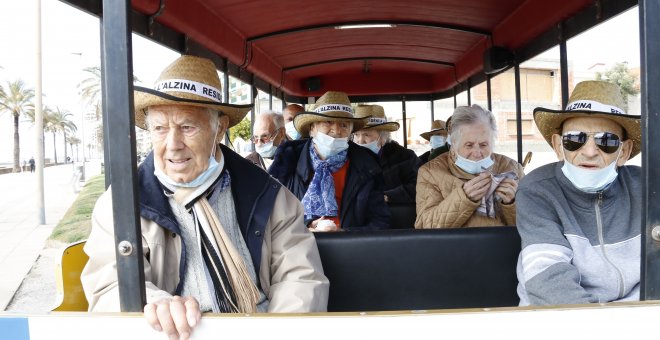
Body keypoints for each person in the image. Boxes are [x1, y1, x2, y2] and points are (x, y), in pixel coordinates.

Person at [81, 55, 329, 339]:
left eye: (187, 127)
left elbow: (300, 278)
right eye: (160, 128)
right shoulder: (123, 204)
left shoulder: (269, 195)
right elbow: (108, 286)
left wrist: (275, 334)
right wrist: (153, 305)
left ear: (219, 128)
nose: (173, 145)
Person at [516, 81, 641, 306]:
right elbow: (548, 281)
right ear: (558, 146)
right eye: (575, 139)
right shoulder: (537, 190)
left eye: (607, 141)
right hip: (560, 320)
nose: (590, 151)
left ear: (624, 152)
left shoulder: (646, 186)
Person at [269, 91, 390, 232]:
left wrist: (344, 234)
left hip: (350, 246)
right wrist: (306, 227)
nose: (336, 130)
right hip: (297, 243)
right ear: (312, 128)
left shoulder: (367, 164)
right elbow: (269, 209)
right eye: (328, 122)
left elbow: (380, 221)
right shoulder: (289, 158)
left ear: (350, 131)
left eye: (344, 125)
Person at [415, 105, 523, 228]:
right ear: (454, 145)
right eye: (469, 145)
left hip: (504, 245)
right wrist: (464, 198)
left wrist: (512, 203)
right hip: (455, 246)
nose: (477, 153)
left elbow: (533, 225)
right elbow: (424, 225)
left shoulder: (512, 168)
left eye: (483, 145)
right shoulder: (430, 172)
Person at [352, 104, 422, 203]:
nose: (360, 141)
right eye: (356, 134)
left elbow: (421, 185)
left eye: (366, 134)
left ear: (382, 136)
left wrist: (387, 196)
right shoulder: (348, 158)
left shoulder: (406, 158)